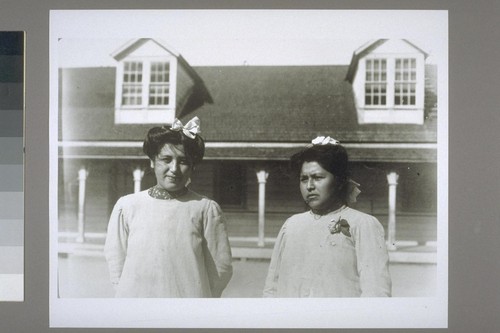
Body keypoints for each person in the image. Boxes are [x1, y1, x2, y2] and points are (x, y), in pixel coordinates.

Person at [104, 117, 233, 298]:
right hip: (137, 303)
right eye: (166, 159)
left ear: (193, 166)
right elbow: (116, 259)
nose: (174, 169)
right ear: (152, 161)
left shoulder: (205, 209)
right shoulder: (127, 206)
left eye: (183, 161)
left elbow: (221, 267)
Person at [263, 136, 391, 297]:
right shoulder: (291, 225)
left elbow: (376, 292)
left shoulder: (363, 224)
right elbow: (272, 287)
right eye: (304, 179)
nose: (309, 186)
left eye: (317, 178)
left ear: (339, 181)